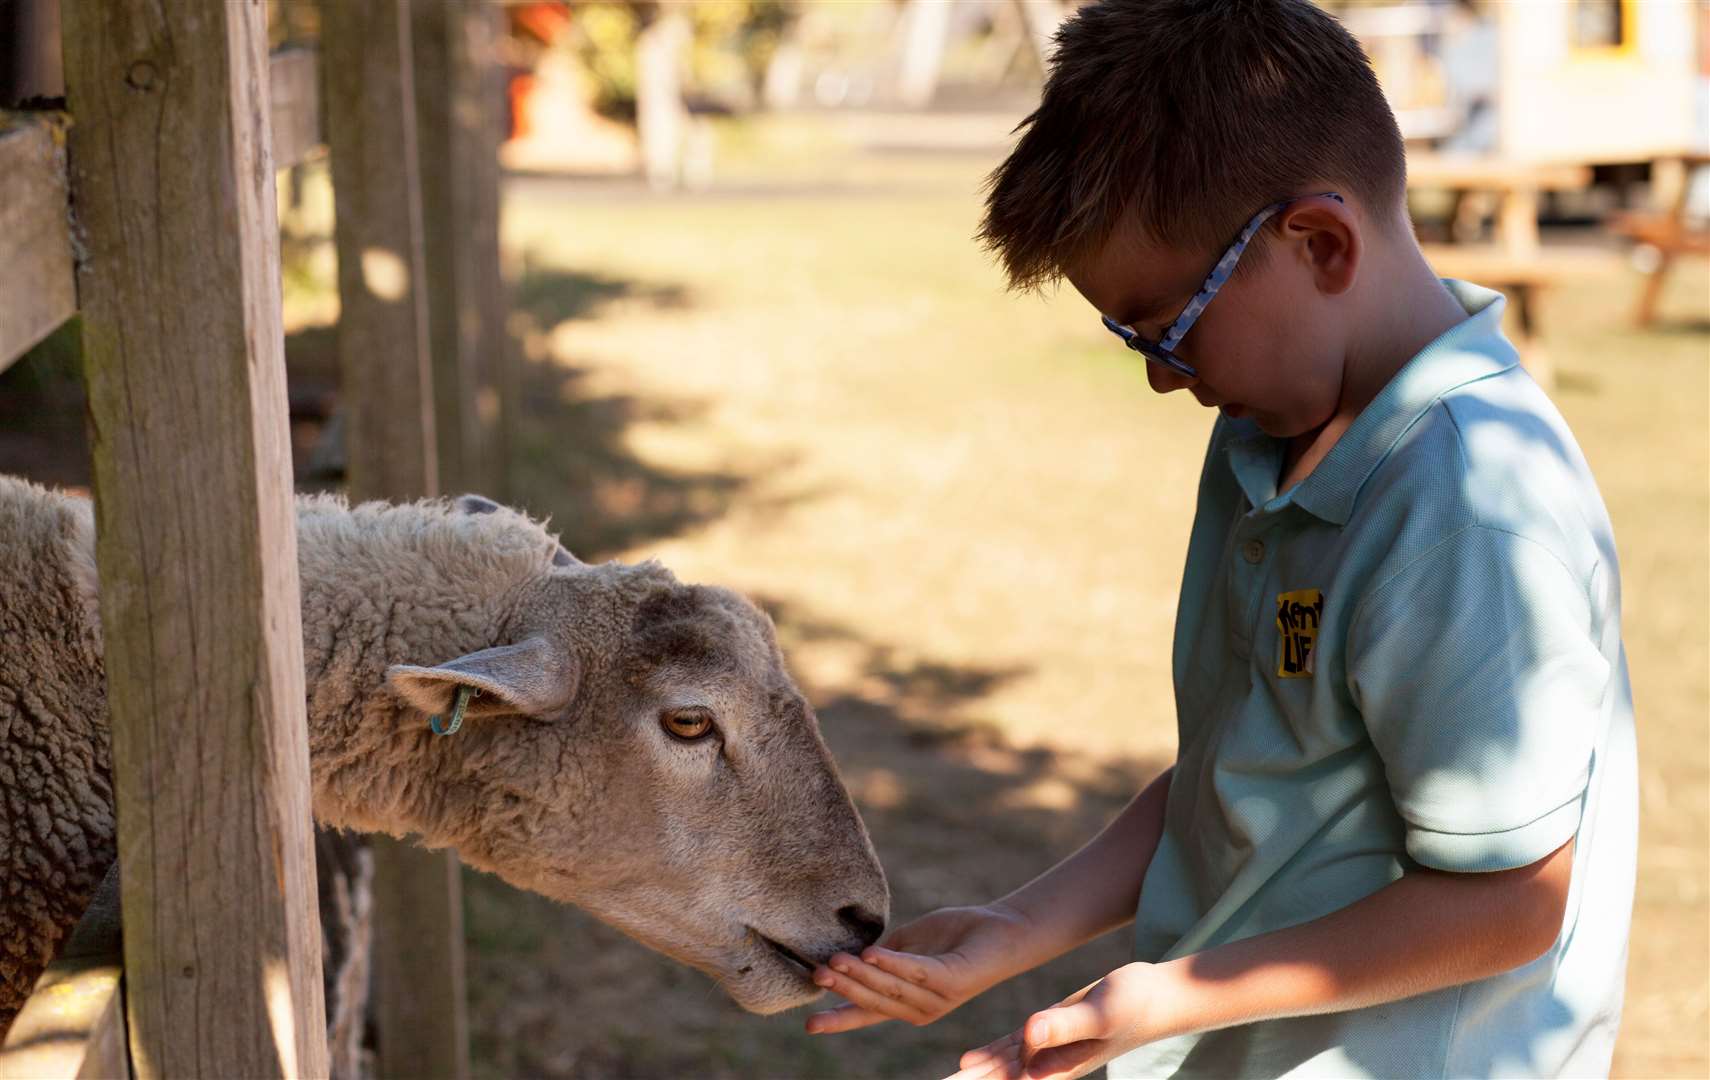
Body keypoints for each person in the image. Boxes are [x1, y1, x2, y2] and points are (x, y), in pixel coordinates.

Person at [802, 2, 1638, 1077]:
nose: (1160, 373)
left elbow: (1514, 902)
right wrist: (1017, 930)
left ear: (1321, 242)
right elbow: (1241, 772)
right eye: (1130, 338)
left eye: (1169, 325)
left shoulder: (1466, 510)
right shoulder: (1270, 437)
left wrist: (1179, 995)